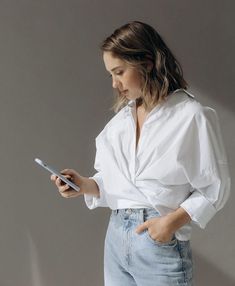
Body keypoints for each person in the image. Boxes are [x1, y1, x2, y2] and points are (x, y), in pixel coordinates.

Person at [50, 21, 231, 286]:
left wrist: (169, 224)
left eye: (120, 72)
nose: (114, 83)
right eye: (110, 75)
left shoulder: (190, 116)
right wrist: (84, 185)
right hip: (116, 239)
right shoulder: (120, 122)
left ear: (147, 63)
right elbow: (120, 183)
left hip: (157, 242)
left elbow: (215, 186)